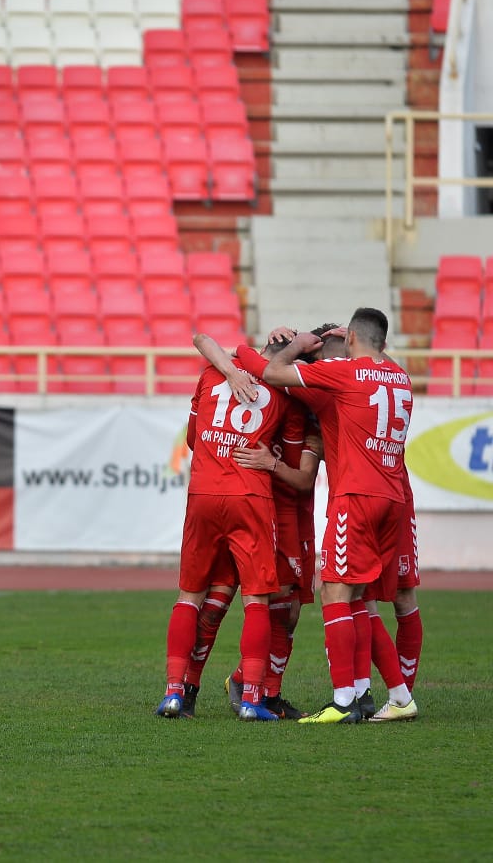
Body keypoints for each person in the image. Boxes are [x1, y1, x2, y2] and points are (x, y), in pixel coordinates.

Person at [233, 308, 414, 724]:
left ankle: (344, 701)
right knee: (361, 600)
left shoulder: (344, 375)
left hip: (357, 497)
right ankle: (394, 695)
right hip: (393, 497)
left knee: (333, 591)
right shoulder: (400, 376)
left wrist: (280, 346)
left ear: (350, 339)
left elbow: (269, 372)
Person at [156, 336, 296, 721]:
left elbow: (191, 437)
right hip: (250, 497)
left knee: (189, 597)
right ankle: (250, 697)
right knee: (257, 600)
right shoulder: (282, 393)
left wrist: (230, 372)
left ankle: (173, 693)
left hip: (203, 493)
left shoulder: (209, 377)